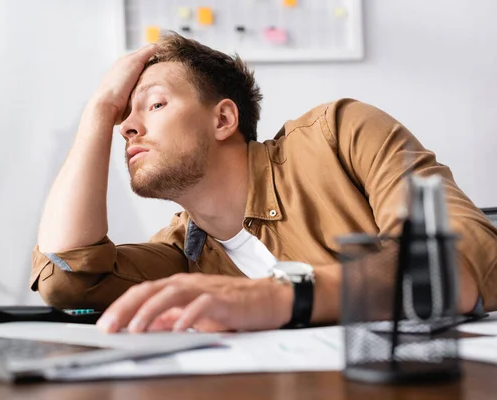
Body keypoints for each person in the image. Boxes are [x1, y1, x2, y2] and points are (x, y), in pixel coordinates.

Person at [31, 32, 497, 334]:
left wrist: (280, 295)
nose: (127, 128)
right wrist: (97, 112)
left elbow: (450, 265)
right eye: (122, 116)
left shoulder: (340, 134)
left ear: (224, 118)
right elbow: (68, 278)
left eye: (154, 105)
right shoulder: (182, 254)